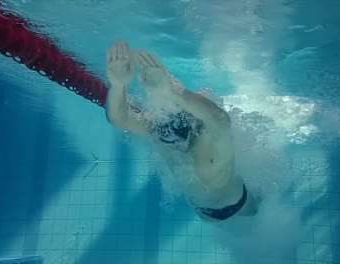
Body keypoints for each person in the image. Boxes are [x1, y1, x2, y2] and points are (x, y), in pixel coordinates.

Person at [105, 40, 258, 221]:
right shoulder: (206, 146)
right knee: (254, 211)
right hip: (236, 201)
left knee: (222, 221)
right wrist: (171, 93)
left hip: (202, 208)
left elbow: (119, 118)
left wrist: (118, 85)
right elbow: (219, 118)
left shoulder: (160, 133)